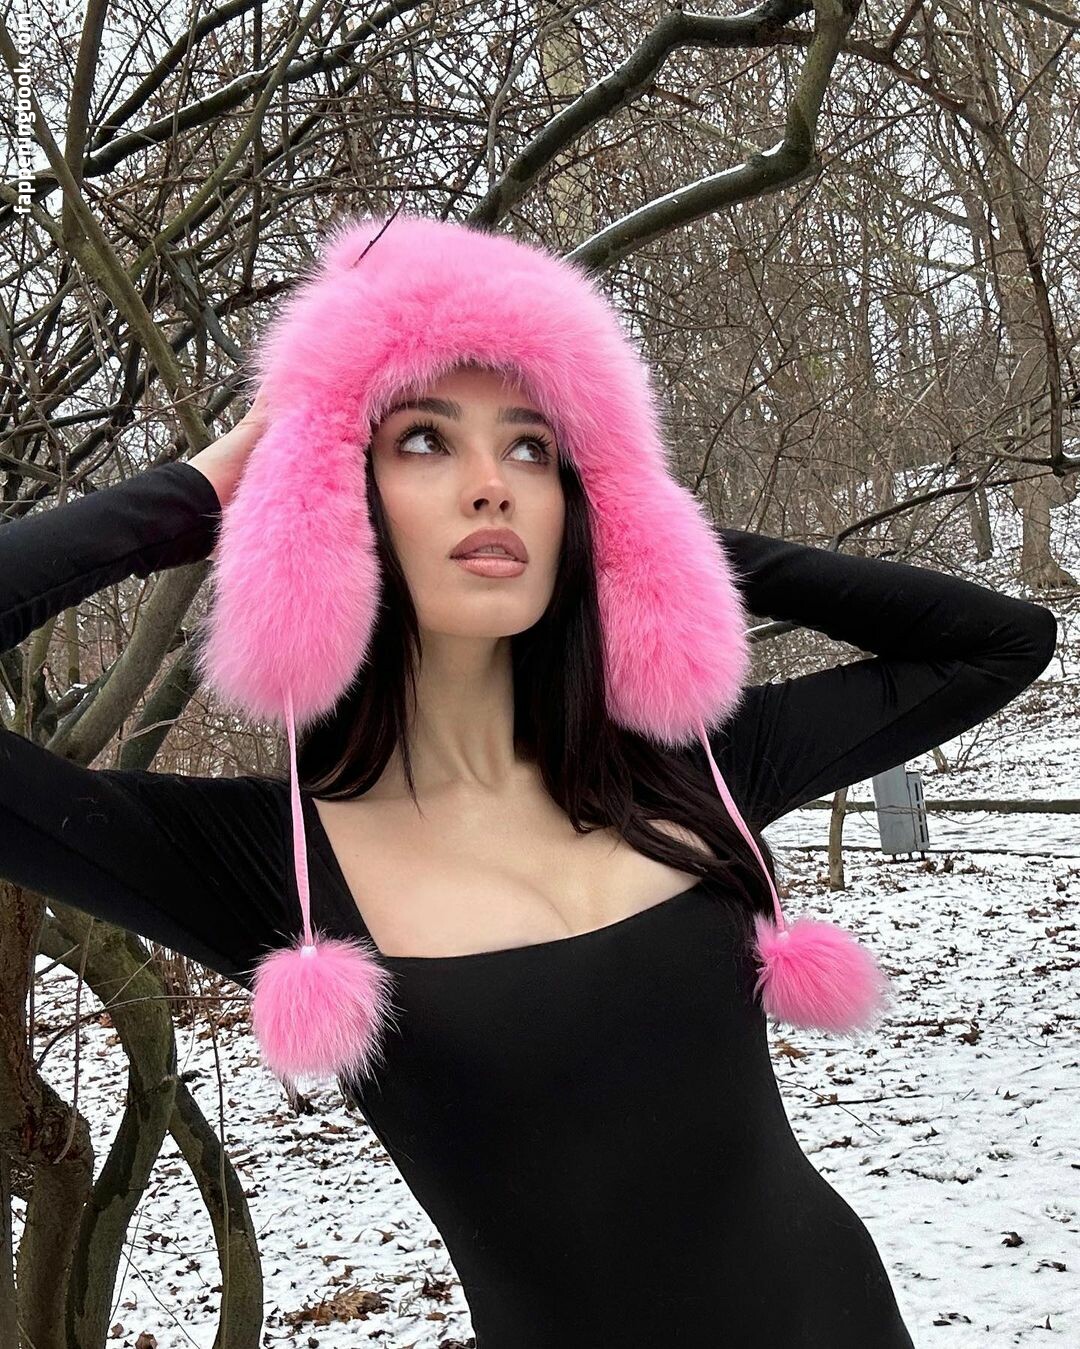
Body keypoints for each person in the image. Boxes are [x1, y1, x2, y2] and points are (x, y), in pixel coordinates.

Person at [0, 214, 1057, 1347]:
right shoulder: (275, 866)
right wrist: (208, 492)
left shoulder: (689, 767)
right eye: (424, 440)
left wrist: (645, 527)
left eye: (532, 448)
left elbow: (997, 644)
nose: (490, 486)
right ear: (336, 499)